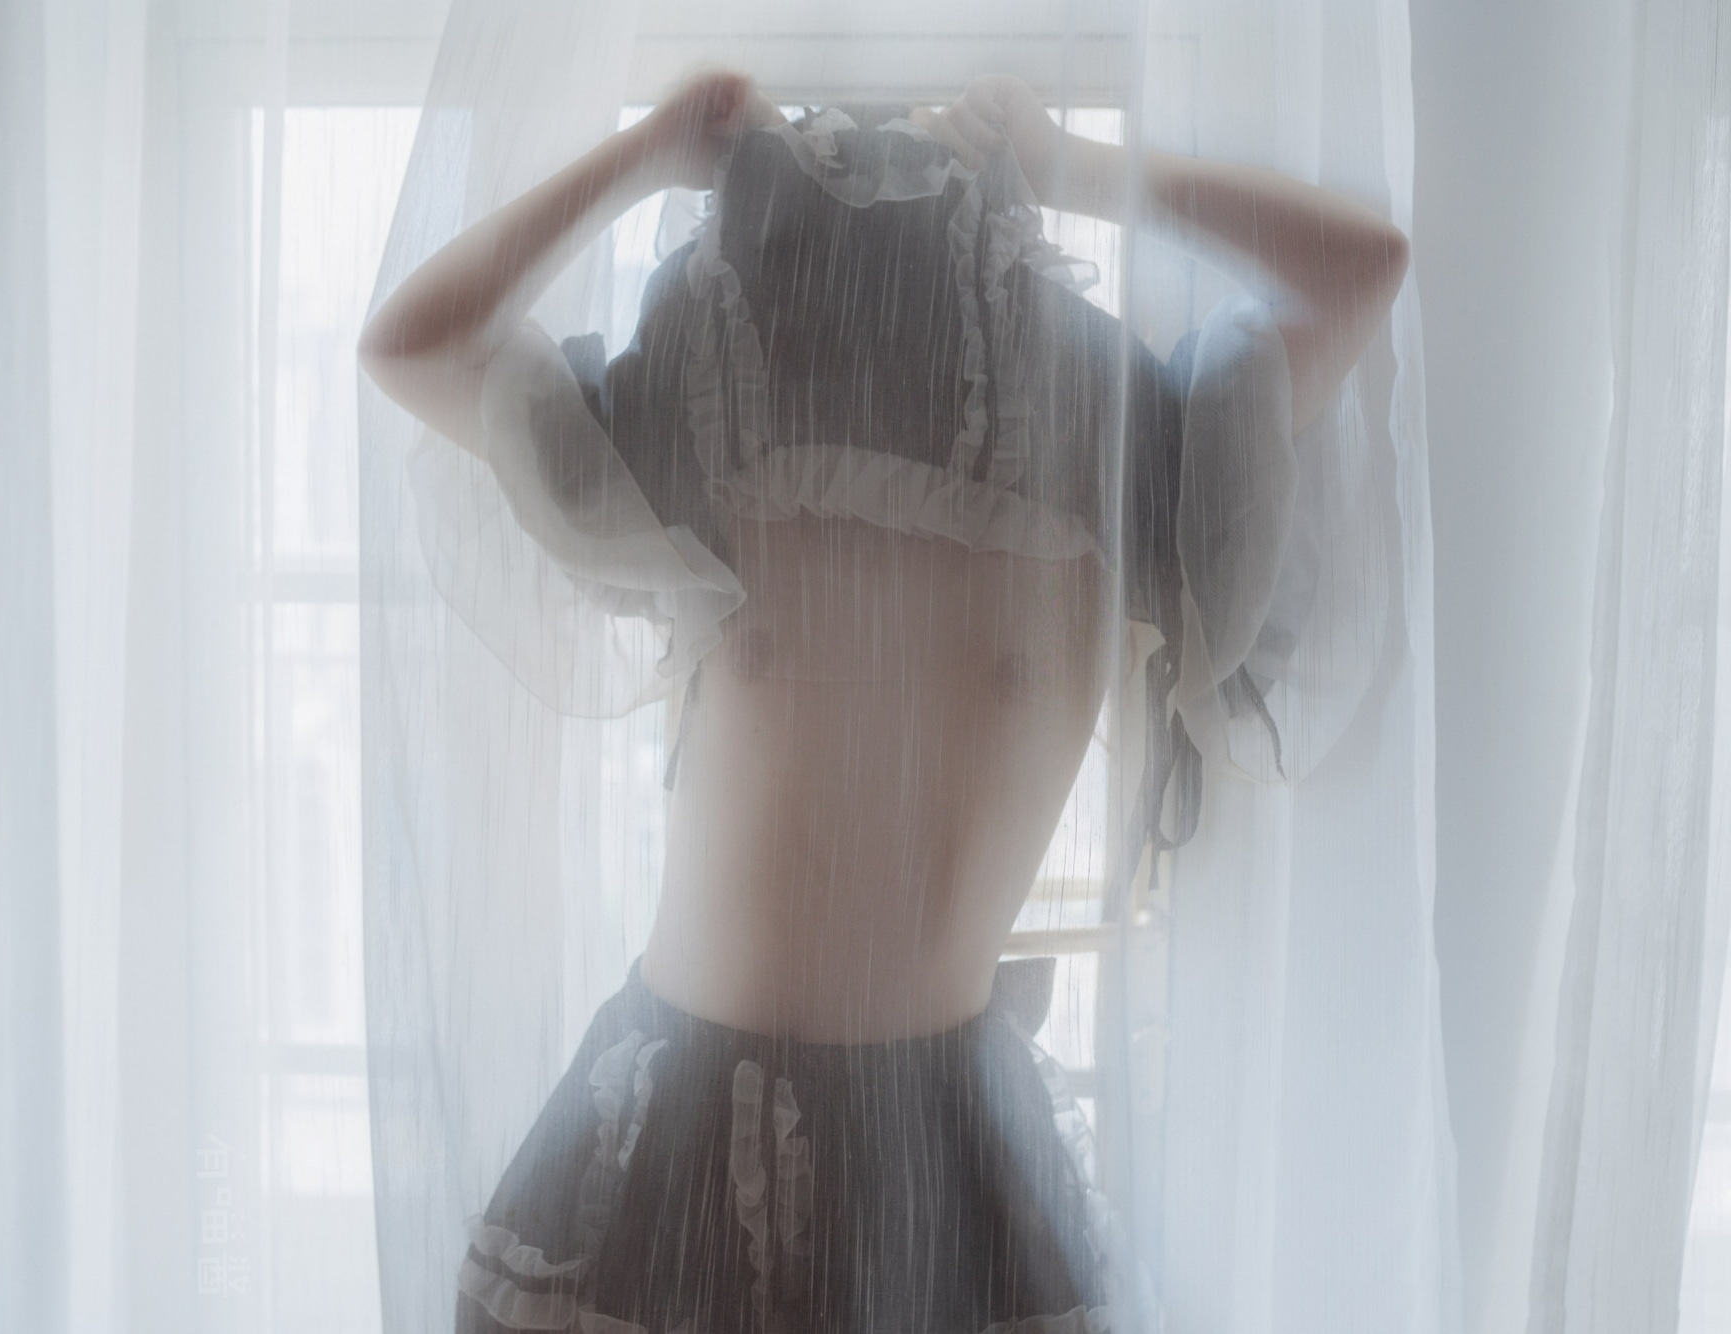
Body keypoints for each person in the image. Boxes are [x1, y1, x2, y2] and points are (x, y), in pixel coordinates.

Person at [361, 69, 1408, 1334]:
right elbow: (408, 345)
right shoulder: (710, 422)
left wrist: (1081, 170)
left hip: (941, 1162)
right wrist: (643, 154)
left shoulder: (1122, 445)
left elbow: (1361, 267)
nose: (879, 184)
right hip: (665, 1142)